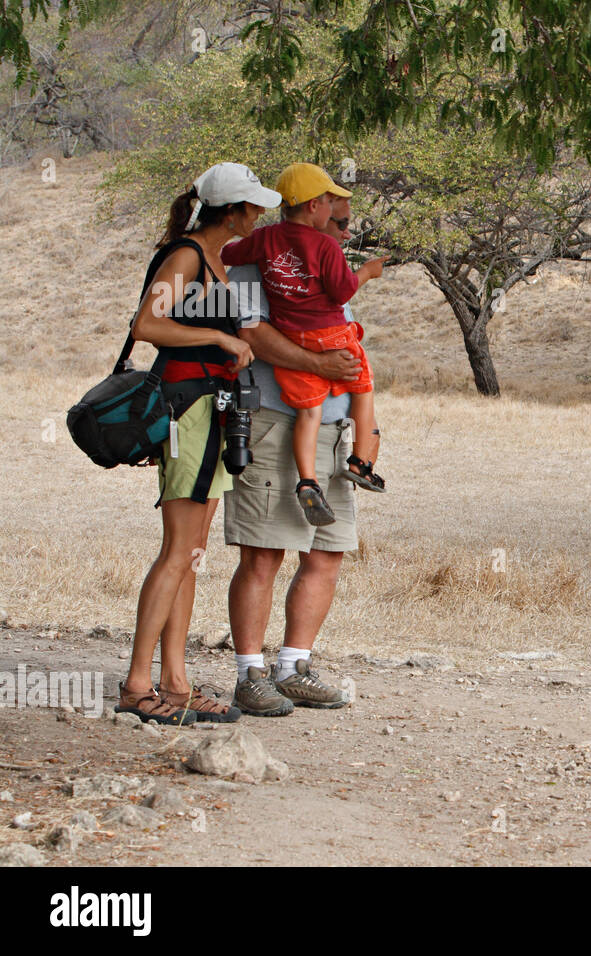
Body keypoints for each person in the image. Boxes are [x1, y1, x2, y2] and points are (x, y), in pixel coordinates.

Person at [117, 162, 282, 725]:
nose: (259, 214)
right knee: (176, 551)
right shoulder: (187, 255)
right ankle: (139, 685)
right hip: (186, 411)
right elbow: (147, 325)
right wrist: (216, 335)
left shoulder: (217, 259)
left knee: (190, 552)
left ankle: (176, 683)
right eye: (253, 205)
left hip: (211, 412)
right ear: (232, 211)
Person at [222, 189, 369, 716]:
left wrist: (362, 427)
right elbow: (250, 332)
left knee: (327, 552)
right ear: (314, 208)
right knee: (264, 553)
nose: (344, 227)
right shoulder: (258, 261)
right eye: (338, 214)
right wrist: (322, 366)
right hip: (274, 422)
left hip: (329, 432)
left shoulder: (325, 264)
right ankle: (249, 674)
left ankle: (293, 668)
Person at [221, 162, 387, 527]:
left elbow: (226, 255)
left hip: (294, 335)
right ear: (314, 206)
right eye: (330, 204)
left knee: (309, 413)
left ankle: (307, 479)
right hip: (328, 340)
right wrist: (367, 272)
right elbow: (342, 290)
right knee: (363, 385)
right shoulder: (325, 247)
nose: (342, 228)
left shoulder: (264, 242)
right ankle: (362, 461)